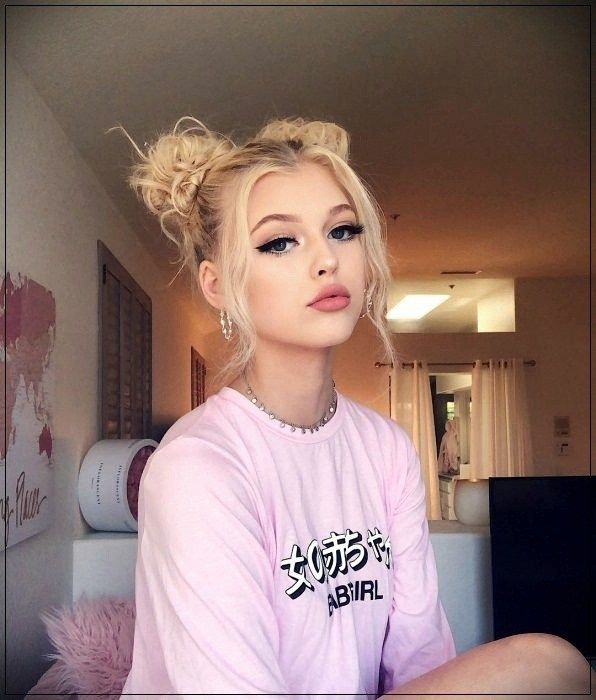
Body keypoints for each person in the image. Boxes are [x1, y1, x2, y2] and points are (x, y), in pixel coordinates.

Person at [116, 117, 593, 699]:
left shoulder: (386, 448)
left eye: (342, 230)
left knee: (556, 667)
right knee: (546, 663)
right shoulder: (196, 467)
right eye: (280, 242)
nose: (327, 259)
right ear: (217, 285)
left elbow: (419, 662)